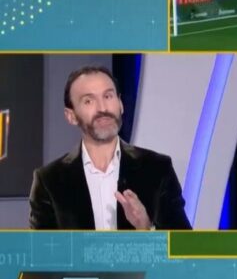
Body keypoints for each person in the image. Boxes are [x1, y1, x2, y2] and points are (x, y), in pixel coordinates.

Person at [29, 66, 192, 230]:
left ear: (120, 104)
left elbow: (183, 243)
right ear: (71, 116)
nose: (103, 108)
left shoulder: (157, 169)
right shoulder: (49, 180)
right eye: (88, 101)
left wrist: (145, 228)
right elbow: (41, 246)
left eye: (108, 96)